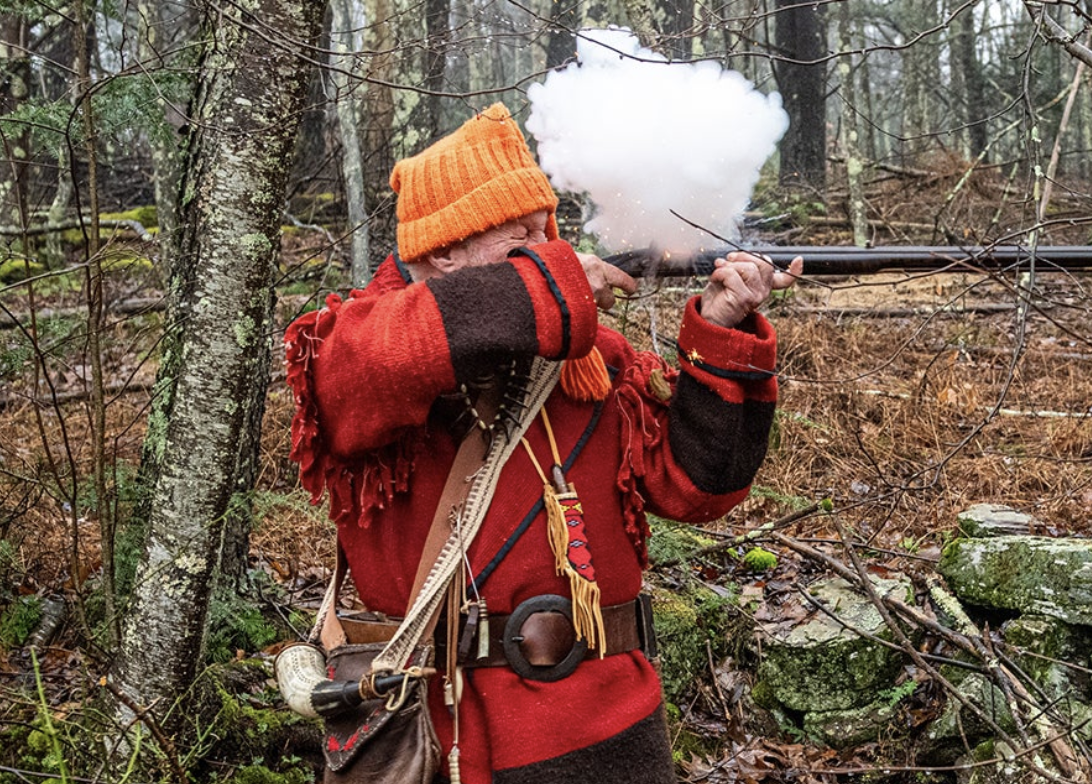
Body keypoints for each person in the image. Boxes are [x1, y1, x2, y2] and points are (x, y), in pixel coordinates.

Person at [284, 103, 802, 784]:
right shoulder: (358, 341)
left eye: (544, 226)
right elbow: (385, 356)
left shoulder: (591, 359)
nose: (548, 243)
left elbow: (701, 488)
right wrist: (546, 287)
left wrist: (721, 326)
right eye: (520, 231)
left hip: (598, 735)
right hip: (419, 741)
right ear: (445, 248)